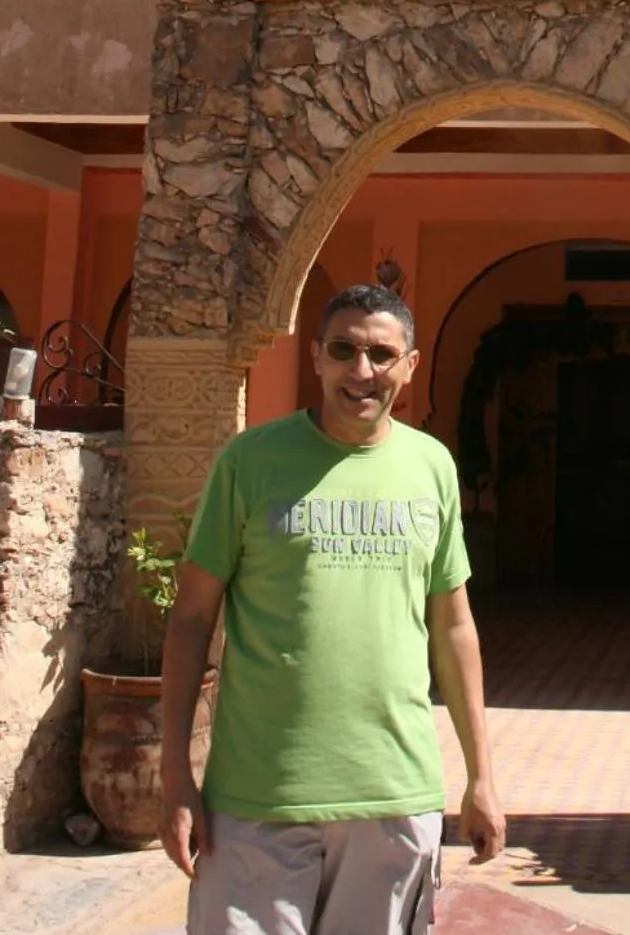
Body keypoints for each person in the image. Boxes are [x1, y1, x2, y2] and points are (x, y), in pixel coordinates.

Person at [158, 272, 506, 935]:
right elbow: (191, 618)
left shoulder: (431, 467)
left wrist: (482, 777)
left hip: (392, 795)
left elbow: (453, 626)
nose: (361, 370)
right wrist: (176, 776)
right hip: (257, 799)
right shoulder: (250, 461)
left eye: (380, 354)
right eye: (343, 350)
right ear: (315, 356)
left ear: (410, 366)